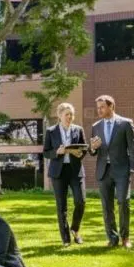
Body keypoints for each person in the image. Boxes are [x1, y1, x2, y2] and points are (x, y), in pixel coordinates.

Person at [88, 95, 134, 249]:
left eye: (102, 107)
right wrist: (92, 148)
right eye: (98, 107)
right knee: (106, 206)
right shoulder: (96, 126)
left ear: (111, 106)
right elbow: (92, 152)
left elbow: (133, 148)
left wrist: (132, 168)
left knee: (123, 202)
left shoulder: (125, 124)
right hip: (104, 171)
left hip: (122, 170)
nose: (99, 110)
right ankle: (112, 237)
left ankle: (125, 238)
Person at [43, 102, 87, 245]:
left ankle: (75, 229)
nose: (70, 117)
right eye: (67, 114)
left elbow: (84, 149)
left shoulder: (78, 130)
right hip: (58, 172)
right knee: (61, 206)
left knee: (80, 201)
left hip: (75, 171)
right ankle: (66, 238)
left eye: (71, 114)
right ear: (59, 115)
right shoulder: (51, 131)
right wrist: (57, 152)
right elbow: (46, 152)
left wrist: (79, 152)